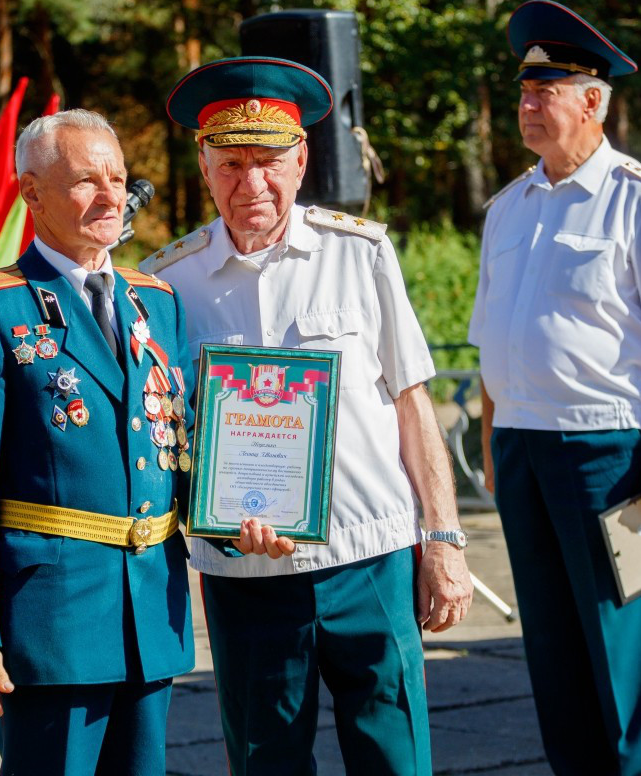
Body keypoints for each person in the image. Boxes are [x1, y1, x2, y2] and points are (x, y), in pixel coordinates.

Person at [141, 56, 473, 775]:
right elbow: (163, 435)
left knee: (396, 758)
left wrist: (443, 541)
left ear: (302, 161)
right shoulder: (169, 283)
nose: (250, 183)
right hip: (245, 575)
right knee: (267, 764)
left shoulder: (361, 254)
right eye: (230, 163)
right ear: (202, 164)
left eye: (268, 160)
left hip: (371, 557)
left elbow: (414, 407)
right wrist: (213, 521)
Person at [0, 109, 195, 775]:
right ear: (31, 193)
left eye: (119, 179)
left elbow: (182, 445)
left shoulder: (156, 302)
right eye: (85, 181)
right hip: (52, 621)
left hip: (151, 609)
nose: (110, 197)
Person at [470, 0, 641, 776]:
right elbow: (493, 347)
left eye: (546, 92)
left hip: (610, 450)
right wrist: (492, 445)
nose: (528, 106)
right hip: (523, 450)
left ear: (593, 100)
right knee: (553, 650)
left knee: (624, 653)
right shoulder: (506, 209)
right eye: (524, 93)